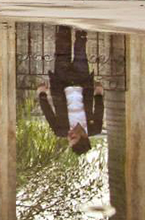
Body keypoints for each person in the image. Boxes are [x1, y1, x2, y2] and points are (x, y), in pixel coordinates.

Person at [36, 26, 104, 155]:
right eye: (73, 138)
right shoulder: (95, 129)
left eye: (69, 139)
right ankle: (81, 29)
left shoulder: (60, 131)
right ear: (84, 136)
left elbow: (48, 113)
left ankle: (63, 28)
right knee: (80, 53)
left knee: (62, 53)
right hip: (82, 82)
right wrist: (99, 94)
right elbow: (99, 111)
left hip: (62, 83)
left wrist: (42, 94)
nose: (69, 136)